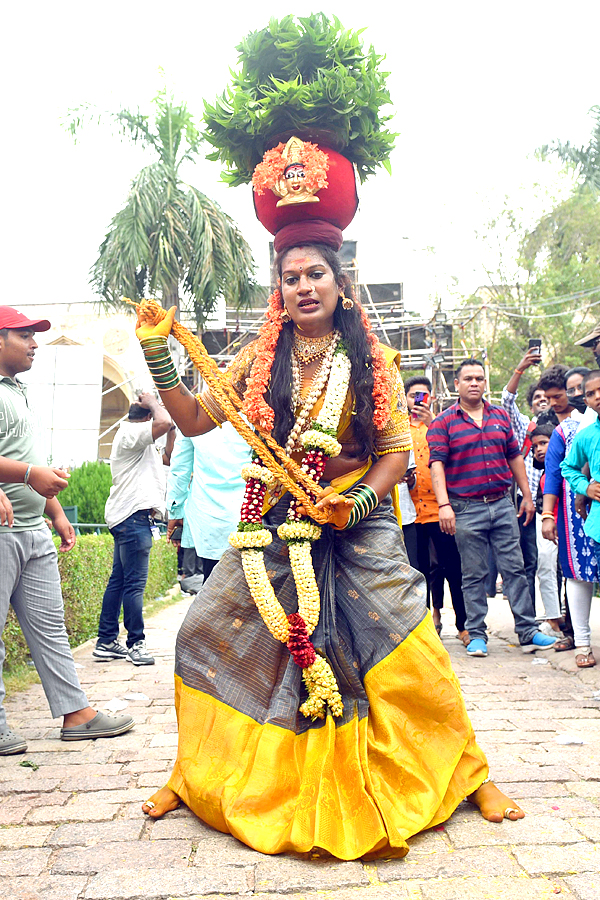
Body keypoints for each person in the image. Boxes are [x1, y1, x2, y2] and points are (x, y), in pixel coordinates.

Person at [135, 242, 525, 858]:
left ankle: (470, 773)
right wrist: (158, 351)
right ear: (279, 292)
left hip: (356, 515)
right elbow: (192, 421)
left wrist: (356, 504)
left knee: (408, 644)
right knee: (204, 634)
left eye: (315, 274)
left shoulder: (374, 359)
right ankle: (193, 775)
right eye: (290, 278)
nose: (303, 286)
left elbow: (397, 453)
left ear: (340, 285)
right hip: (277, 510)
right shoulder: (258, 357)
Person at [0, 305, 134, 754]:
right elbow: (25, 468)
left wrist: (54, 509)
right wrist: (23, 477)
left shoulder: (18, 391)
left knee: (50, 628)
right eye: (25, 337)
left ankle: (75, 713)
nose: (35, 345)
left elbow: (29, 459)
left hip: (32, 527)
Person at [427, 357, 557, 658]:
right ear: (457, 384)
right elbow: (437, 465)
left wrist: (526, 495)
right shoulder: (444, 422)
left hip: (501, 505)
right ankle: (476, 635)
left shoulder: (500, 416)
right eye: (468, 379)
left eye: (479, 378)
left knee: (516, 569)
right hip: (465, 508)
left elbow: (515, 458)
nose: (475, 383)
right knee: (473, 573)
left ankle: (527, 631)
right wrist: (444, 505)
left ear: (485, 383)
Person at [94, 394, 174, 666]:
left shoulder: (140, 441)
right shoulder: (131, 433)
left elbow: (167, 457)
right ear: (148, 418)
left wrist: (171, 427)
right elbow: (162, 423)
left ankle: (106, 641)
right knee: (134, 585)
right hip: (133, 518)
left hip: (130, 519)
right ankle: (136, 644)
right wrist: (155, 401)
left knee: (118, 582)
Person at [405, 376, 467, 643]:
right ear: (405, 398)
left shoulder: (442, 424)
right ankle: (427, 626)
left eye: (424, 395)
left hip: (441, 509)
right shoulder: (398, 429)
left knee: (453, 567)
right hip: (410, 513)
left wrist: (432, 423)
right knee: (418, 571)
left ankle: (464, 626)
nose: (418, 401)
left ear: (431, 398)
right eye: (413, 395)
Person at [166, 423, 252, 585]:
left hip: (208, 521)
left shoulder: (194, 412)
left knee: (212, 593)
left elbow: (179, 470)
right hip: (251, 516)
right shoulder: (259, 408)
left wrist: (175, 512)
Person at [500, 348, 548, 607]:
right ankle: (529, 615)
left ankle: (559, 616)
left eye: (546, 397)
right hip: (527, 505)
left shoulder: (566, 426)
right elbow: (507, 400)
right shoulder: (523, 427)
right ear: (531, 404)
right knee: (528, 560)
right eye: (537, 397)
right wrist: (521, 368)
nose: (543, 400)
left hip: (557, 502)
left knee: (556, 563)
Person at [558, 369, 600, 668]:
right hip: (597, 524)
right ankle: (583, 643)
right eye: (590, 393)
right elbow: (567, 467)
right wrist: (586, 486)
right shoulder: (586, 435)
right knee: (583, 577)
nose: (597, 397)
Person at [529, 424, 564, 634]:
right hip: (545, 522)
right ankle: (553, 617)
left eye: (543, 443)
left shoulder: (567, 467)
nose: (538, 450)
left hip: (562, 523)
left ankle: (563, 616)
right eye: (535, 447)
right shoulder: (543, 473)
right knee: (545, 567)